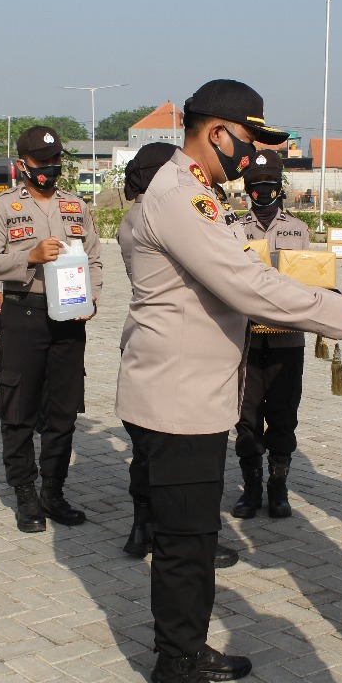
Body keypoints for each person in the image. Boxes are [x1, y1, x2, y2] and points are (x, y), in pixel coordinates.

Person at [116, 79, 342, 683]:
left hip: (192, 395)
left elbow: (250, 277)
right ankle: (174, 675)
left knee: (196, 536)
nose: (252, 156)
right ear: (215, 130)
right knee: (183, 543)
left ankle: (189, 649)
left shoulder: (197, 191)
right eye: (247, 142)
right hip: (175, 399)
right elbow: (246, 284)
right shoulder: (178, 195)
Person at [0, 126, 103, 533]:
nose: (48, 169)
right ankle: (25, 493)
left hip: (69, 318)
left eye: (53, 161)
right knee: (18, 409)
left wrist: (92, 298)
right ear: (22, 164)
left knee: (63, 410)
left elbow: (96, 258)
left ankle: (53, 490)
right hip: (23, 314)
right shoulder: (3, 207)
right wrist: (27, 256)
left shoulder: (76, 206)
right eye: (40, 162)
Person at [118, 143, 240, 569]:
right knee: (171, 462)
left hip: (144, 339)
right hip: (175, 347)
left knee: (146, 454)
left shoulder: (134, 216)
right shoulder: (158, 215)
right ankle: (181, 533)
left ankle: (143, 528)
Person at [231, 149, 312, 520]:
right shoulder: (232, 228)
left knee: (283, 415)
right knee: (246, 417)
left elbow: (310, 278)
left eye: (270, 187)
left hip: (286, 338)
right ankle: (250, 489)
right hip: (245, 338)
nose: (263, 194)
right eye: (256, 188)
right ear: (247, 189)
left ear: (281, 187)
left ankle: (278, 488)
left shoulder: (298, 229)